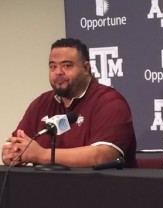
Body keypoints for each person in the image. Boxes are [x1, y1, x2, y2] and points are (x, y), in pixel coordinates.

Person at [2, 38, 137, 168]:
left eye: (67, 65)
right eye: (53, 66)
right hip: (46, 188)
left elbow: (103, 156)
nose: (58, 72)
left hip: (101, 189)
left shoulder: (109, 102)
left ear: (86, 68)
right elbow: (16, 146)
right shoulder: (41, 104)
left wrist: (41, 155)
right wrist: (11, 153)